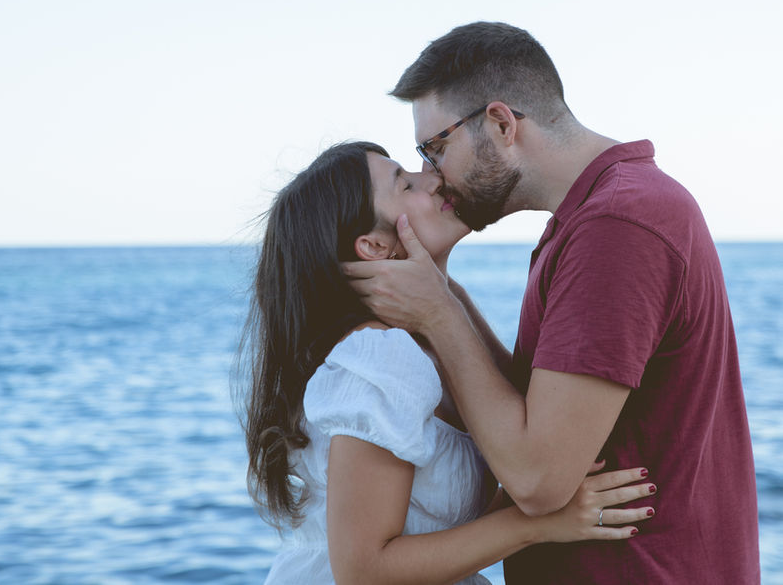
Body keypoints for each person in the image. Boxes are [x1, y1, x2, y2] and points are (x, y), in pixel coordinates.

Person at [342, 22, 760, 583]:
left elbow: (538, 480)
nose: (433, 176)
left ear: (500, 123)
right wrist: (443, 297)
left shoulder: (617, 226)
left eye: (434, 148)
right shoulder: (599, 214)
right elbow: (530, 413)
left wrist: (440, 314)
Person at [240, 141, 655, 585]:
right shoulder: (383, 357)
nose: (433, 177)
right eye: (405, 182)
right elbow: (361, 571)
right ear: (375, 246)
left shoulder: (434, 339)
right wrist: (535, 525)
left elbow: (437, 522)